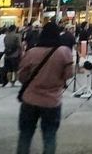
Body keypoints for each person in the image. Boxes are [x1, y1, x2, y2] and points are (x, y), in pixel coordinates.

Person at [16, 21, 74, 154]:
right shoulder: (64, 52)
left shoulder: (31, 52)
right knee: (49, 135)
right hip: (52, 101)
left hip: (30, 99)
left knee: (25, 134)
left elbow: (22, 77)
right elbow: (68, 74)